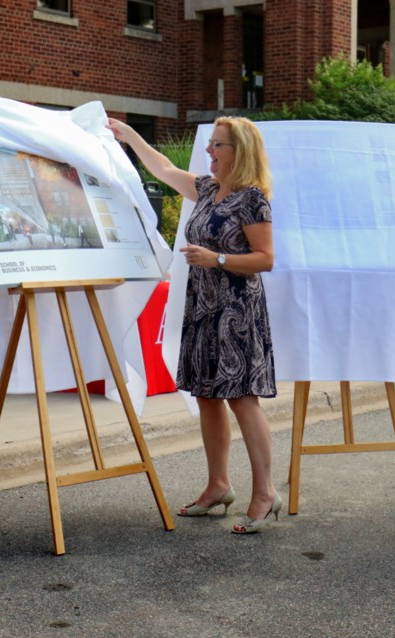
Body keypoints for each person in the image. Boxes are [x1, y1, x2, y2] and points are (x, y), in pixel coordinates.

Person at [107, 116, 280, 534]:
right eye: (212, 145)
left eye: (217, 145)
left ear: (238, 151)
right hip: (203, 307)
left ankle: (265, 493)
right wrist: (130, 136)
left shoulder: (251, 199)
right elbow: (164, 170)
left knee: (241, 398)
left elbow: (266, 258)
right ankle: (218, 485)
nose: (209, 151)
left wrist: (216, 258)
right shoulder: (206, 189)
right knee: (206, 395)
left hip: (236, 311)